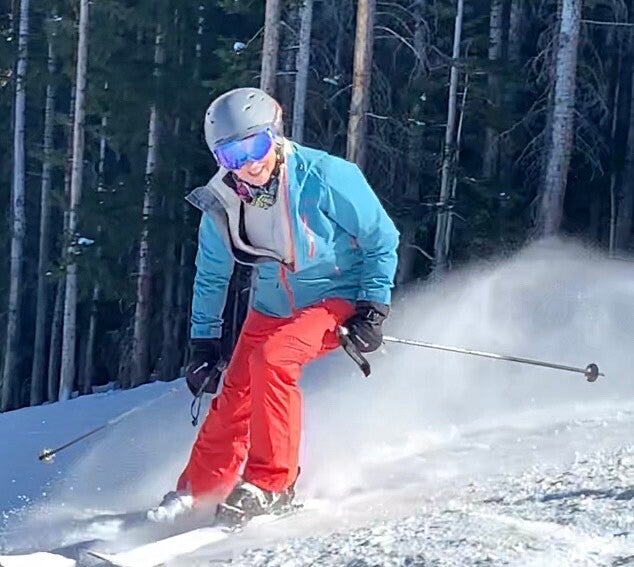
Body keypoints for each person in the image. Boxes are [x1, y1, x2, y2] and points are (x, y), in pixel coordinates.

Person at [148, 87, 399, 524]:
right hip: (272, 305)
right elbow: (212, 273)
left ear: (275, 135)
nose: (250, 162)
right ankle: (203, 487)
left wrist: (373, 308)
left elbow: (381, 239)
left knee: (274, 360)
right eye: (232, 155)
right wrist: (203, 341)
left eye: (257, 145)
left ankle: (272, 483)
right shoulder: (222, 200)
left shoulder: (326, 176)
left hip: (335, 294)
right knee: (236, 390)